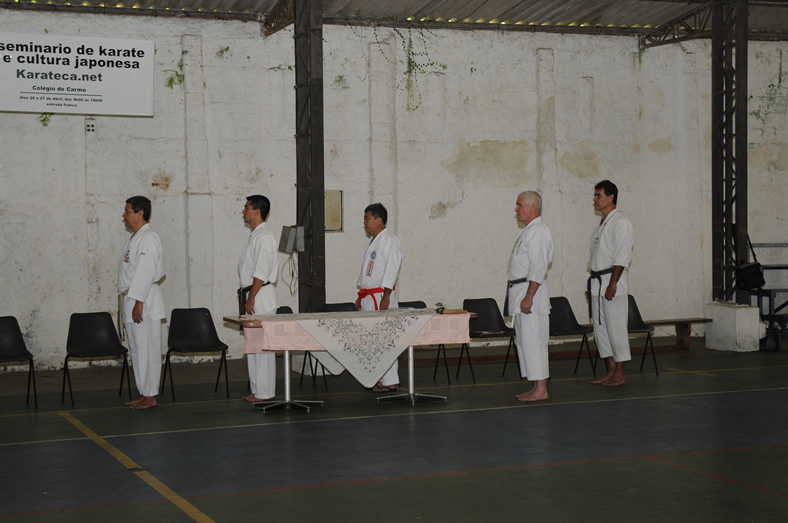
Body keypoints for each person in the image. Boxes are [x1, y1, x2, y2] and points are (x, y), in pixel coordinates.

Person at [119, 196, 166, 410]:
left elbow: (146, 271)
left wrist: (139, 302)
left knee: (147, 349)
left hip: (143, 300)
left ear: (140, 213)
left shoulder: (148, 237)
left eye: (127, 211)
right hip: (134, 298)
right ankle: (144, 392)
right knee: (137, 350)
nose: (124, 215)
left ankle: (151, 395)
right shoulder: (136, 238)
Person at [587, 180, 634, 387]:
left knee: (616, 329)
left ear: (611, 197)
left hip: (612, 282)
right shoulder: (601, 224)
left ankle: (620, 373)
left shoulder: (621, 222)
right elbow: (597, 257)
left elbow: (622, 257)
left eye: (598, 195)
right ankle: (611, 370)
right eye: (595, 195)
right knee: (601, 330)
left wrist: (612, 284)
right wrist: (592, 286)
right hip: (597, 282)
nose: (595, 199)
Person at [508, 191, 553, 402]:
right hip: (523, 291)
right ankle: (536, 386)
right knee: (526, 342)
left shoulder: (539, 232)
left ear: (533, 206)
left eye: (520, 205)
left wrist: (529, 296)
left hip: (531, 293)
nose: (516, 209)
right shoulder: (529, 231)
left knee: (535, 341)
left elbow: (538, 267)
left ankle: (541, 389)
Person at [355, 203, 402, 393]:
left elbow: (392, 268)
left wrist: (386, 296)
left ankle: (390, 380)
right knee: (372, 341)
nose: (364, 222)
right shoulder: (372, 242)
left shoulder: (389, 240)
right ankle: (378, 377)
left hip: (381, 296)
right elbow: (368, 272)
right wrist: (361, 294)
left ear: (379, 220)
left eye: (367, 218)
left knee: (385, 339)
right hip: (370, 296)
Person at [238, 194, 279, 402]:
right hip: (253, 294)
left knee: (263, 347)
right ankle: (257, 390)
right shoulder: (255, 236)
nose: (243, 211)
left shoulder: (264, 237)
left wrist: (251, 297)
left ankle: (265, 392)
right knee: (254, 345)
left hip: (260, 295)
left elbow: (261, 272)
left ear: (257, 211)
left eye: (246, 208)